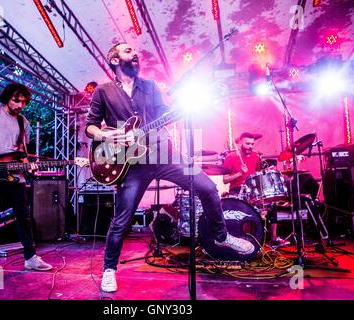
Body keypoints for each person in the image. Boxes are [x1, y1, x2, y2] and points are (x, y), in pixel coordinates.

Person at [85, 42, 255, 293]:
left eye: (135, 52)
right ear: (113, 60)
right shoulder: (103, 91)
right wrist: (107, 135)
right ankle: (109, 269)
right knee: (121, 219)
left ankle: (222, 237)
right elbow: (90, 126)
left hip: (164, 154)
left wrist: (179, 113)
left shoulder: (150, 86)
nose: (135, 54)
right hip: (131, 164)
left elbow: (165, 115)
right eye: (128, 51)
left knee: (207, 188)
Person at [0, 83, 52, 279]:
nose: (20, 105)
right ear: (7, 97)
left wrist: (28, 165)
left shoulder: (24, 122)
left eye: (24, 102)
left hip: (15, 174)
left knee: (23, 216)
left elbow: (21, 154)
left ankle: (30, 258)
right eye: (16, 100)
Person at [223, 132, 289, 246]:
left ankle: (274, 238)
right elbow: (225, 180)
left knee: (271, 202)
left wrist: (268, 170)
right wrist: (240, 173)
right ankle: (242, 238)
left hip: (253, 189)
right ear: (240, 143)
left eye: (252, 144)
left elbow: (260, 174)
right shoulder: (230, 157)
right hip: (237, 189)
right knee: (243, 209)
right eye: (248, 144)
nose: (251, 146)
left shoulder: (255, 155)